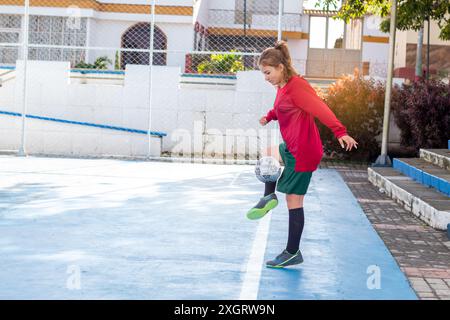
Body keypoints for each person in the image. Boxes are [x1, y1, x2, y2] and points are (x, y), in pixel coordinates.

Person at [246, 41, 358, 268]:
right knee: (267, 154)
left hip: (304, 152)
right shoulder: (283, 88)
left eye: (268, 73)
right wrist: (269, 116)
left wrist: (340, 131)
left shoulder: (298, 86)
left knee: (294, 201)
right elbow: (281, 108)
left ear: (280, 68)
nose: (266, 77)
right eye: (263, 74)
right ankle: (269, 196)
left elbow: (319, 108)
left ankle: (292, 251)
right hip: (292, 146)